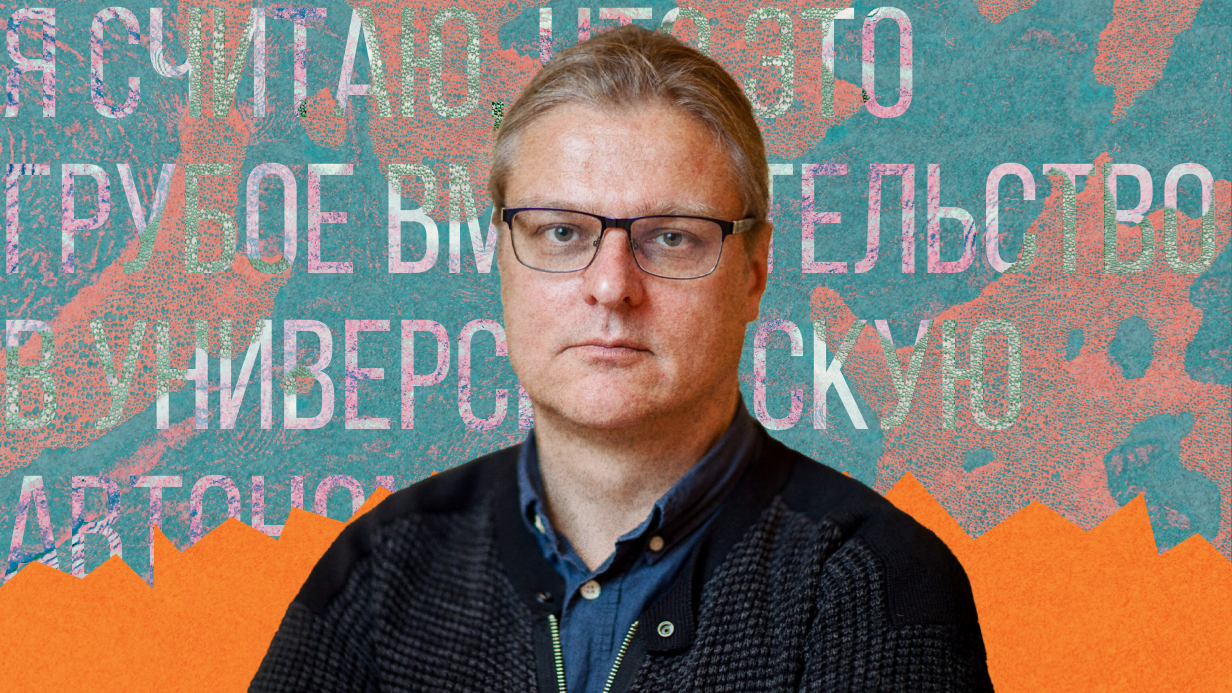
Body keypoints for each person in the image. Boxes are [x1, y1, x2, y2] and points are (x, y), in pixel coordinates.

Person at [251, 25, 992, 693]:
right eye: (561, 233)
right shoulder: (380, 573)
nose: (611, 286)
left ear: (754, 272)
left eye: (671, 237)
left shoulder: (871, 583)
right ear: (500, 256)